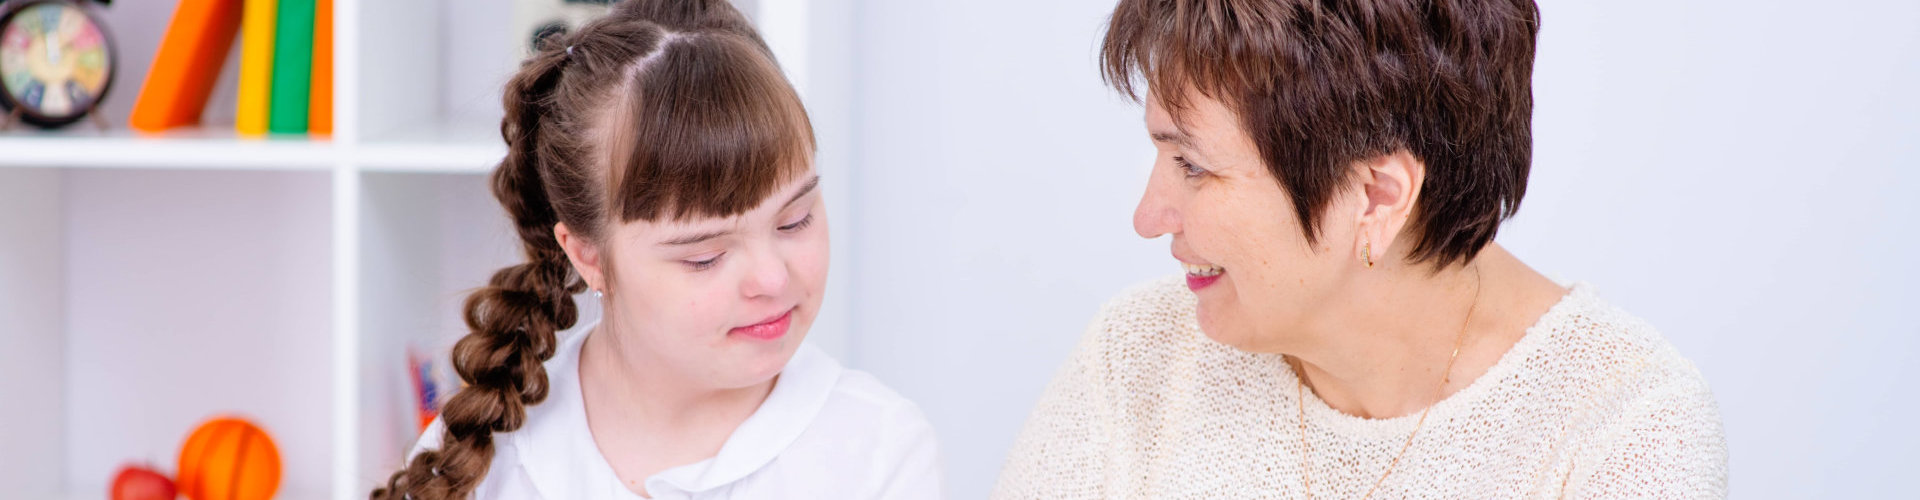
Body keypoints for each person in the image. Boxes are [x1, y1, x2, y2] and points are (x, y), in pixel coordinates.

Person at [995, 0, 1727, 497]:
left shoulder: (1622, 426)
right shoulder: (1140, 356)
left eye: (1194, 165)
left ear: (1377, 197)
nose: (1149, 217)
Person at [371, 1, 941, 498]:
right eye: (704, 257)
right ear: (589, 256)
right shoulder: (494, 446)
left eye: (795, 221)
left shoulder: (875, 450)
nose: (772, 278)